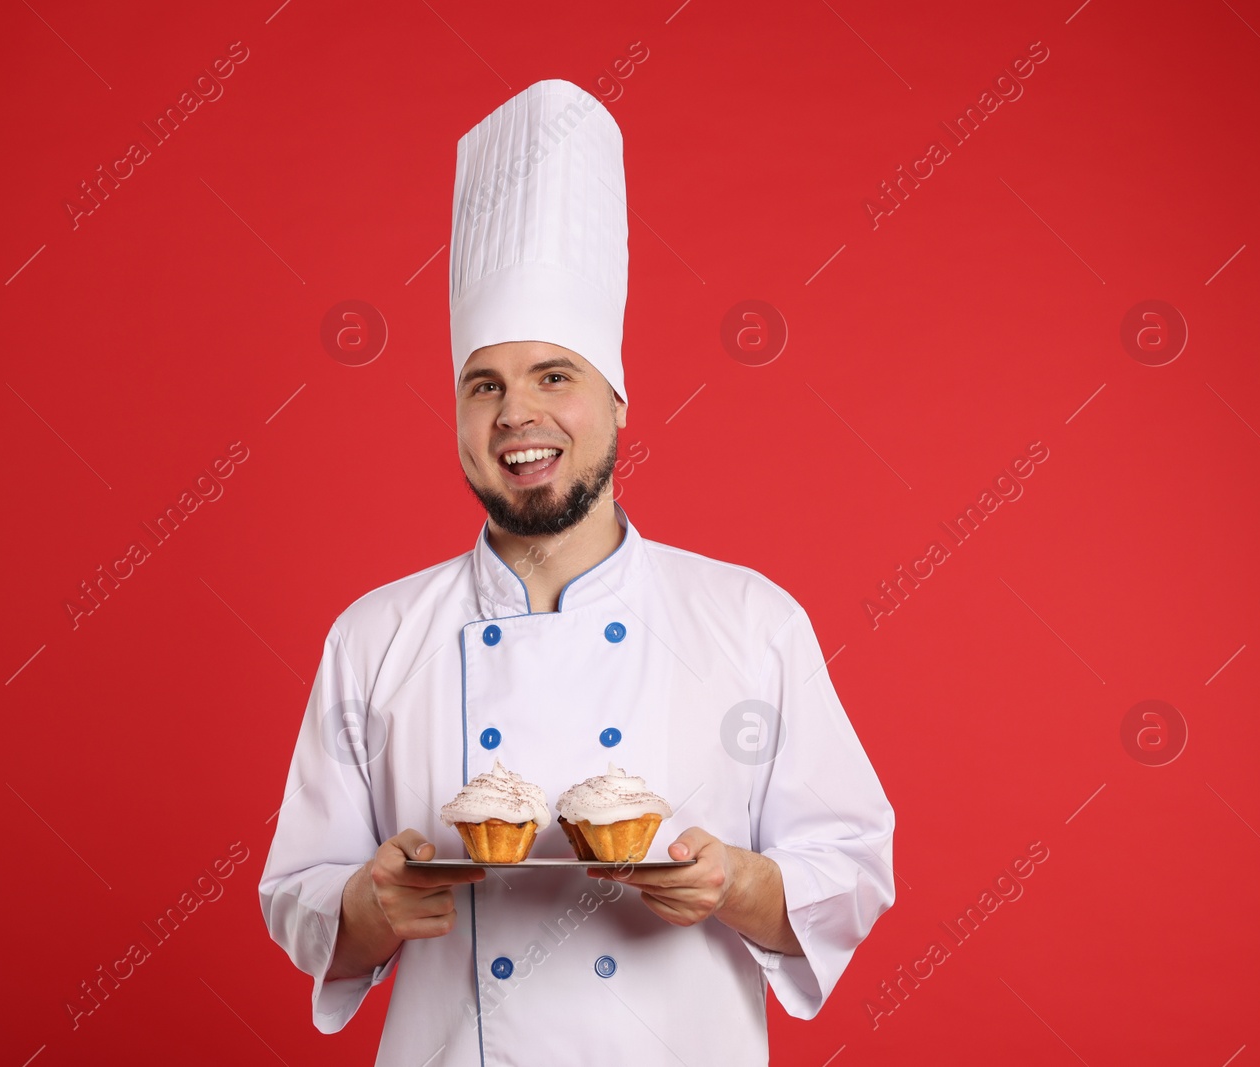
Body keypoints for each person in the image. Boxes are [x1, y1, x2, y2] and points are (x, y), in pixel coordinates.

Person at [258, 78, 894, 1065]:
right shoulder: (373, 637)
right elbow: (297, 890)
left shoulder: (749, 621)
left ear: (618, 398)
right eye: (485, 385)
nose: (518, 416)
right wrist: (365, 905)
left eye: (555, 375)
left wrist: (734, 883)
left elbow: (850, 865)